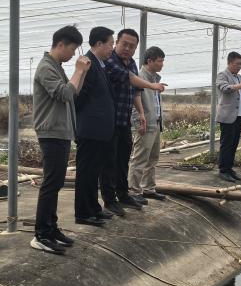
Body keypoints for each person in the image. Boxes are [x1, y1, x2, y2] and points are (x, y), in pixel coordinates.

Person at [31, 24, 91, 254]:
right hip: (51, 132)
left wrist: (81, 72)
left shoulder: (56, 67)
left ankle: (51, 227)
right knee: (50, 183)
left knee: (56, 183)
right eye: (72, 49)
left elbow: (73, 92)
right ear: (60, 44)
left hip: (61, 131)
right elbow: (64, 93)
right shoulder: (46, 67)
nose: (73, 54)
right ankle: (41, 234)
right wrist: (78, 70)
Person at [101, 29, 166, 217]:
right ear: (116, 43)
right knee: (110, 162)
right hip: (110, 120)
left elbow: (135, 91)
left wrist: (141, 113)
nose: (128, 49)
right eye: (125, 44)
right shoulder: (110, 60)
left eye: (132, 46)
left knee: (123, 160)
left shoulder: (131, 63)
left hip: (124, 120)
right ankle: (110, 200)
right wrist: (152, 86)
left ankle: (124, 194)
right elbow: (127, 77)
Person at [74, 26, 117, 227]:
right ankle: (83, 213)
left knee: (94, 172)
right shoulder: (88, 64)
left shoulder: (100, 64)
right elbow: (79, 98)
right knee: (86, 172)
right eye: (110, 44)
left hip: (100, 132)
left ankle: (94, 208)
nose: (112, 48)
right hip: (90, 130)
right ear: (99, 44)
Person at [129, 46, 166, 201]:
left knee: (153, 158)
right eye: (159, 61)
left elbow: (154, 102)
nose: (162, 64)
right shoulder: (139, 77)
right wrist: (139, 122)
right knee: (139, 159)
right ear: (149, 61)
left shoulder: (154, 78)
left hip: (155, 123)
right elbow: (133, 102)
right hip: (145, 124)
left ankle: (149, 188)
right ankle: (134, 191)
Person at [215, 51, 241, 183]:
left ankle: (229, 168)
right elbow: (226, 89)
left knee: (234, 143)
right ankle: (223, 170)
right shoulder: (222, 75)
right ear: (230, 62)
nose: (239, 66)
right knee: (226, 143)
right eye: (237, 64)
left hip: (238, 115)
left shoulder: (240, 77)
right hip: (228, 115)